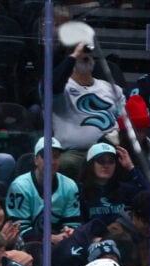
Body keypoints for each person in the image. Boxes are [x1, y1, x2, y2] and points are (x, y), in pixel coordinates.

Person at [51, 40, 124, 179]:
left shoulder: (111, 88)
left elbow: (126, 120)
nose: (85, 56)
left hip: (110, 150)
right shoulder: (63, 88)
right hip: (76, 152)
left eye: (88, 54)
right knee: (66, 163)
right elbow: (51, 85)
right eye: (80, 54)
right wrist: (73, 56)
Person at [5, 137, 81, 244]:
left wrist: (69, 231)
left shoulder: (70, 185)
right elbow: (19, 230)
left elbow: (73, 223)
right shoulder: (19, 186)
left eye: (56, 157)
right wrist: (50, 238)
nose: (52, 161)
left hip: (62, 241)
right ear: (36, 160)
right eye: (45, 156)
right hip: (28, 244)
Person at [77, 141, 139, 224]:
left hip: (123, 236)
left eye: (111, 162)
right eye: (101, 161)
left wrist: (131, 167)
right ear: (91, 164)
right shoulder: (80, 191)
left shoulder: (124, 190)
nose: (106, 165)